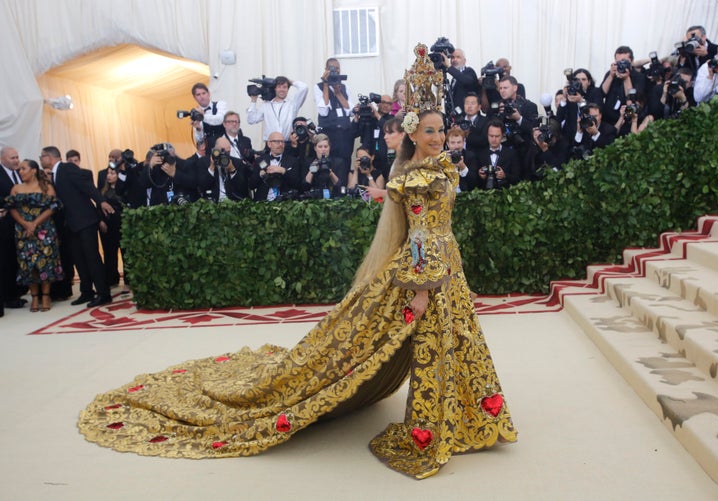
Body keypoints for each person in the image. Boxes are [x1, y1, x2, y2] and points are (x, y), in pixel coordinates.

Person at [77, 42, 517, 481]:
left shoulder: (442, 167)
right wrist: (420, 290)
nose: (438, 137)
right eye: (429, 131)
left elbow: (436, 229)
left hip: (447, 266)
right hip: (427, 273)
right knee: (433, 345)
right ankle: (435, 424)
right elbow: (419, 235)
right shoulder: (418, 176)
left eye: (441, 129)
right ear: (412, 135)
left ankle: (469, 413)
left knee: (458, 339)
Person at [41, 146, 113, 308]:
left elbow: (87, 185)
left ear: (49, 157)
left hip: (84, 220)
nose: (40, 160)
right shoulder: (52, 174)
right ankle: (86, 291)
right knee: (78, 260)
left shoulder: (67, 168)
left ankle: (104, 293)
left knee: (92, 258)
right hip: (70, 224)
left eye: (42, 157)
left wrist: (101, 201)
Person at [5, 159, 64, 312]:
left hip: (44, 230)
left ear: (33, 170)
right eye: (19, 169)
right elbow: (11, 208)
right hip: (24, 231)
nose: (20, 171)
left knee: (46, 262)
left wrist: (35, 223)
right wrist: (25, 224)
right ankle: (34, 297)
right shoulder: (16, 188)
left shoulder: (46, 187)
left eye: (23, 168)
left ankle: (45, 296)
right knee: (28, 264)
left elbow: (52, 207)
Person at [315, 58, 356, 174]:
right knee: (328, 163)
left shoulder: (344, 88)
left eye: (337, 69)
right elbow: (323, 111)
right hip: (328, 133)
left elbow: (350, 111)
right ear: (326, 70)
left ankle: (343, 189)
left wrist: (338, 93)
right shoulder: (318, 87)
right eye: (331, 69)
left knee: (345, 163)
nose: (334, 72)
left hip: (344, 134)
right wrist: (326, 85)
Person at [0, 146, 27, 311]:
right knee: (6, 260)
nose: (16, 160)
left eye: (17, 157)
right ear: (3, 159)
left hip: (20, 224)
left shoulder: (20, 173)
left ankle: (16, 293)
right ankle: (8, 297)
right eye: (13, 158)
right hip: (5, 224)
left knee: (17, 259)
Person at [247, 76, 308, 141]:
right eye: (279, 87)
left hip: (287, 145)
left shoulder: (293, 104)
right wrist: (253, 100)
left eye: (284, 87)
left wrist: (289, 81)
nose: (281, 89)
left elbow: (304, 87)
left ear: (288, 89)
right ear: (275, 88)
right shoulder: (266, 105)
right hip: (270, 145)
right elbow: (251, 120)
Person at [248, 132, 300, 201]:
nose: (281, 144)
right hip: (262, 204)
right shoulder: (260, 160)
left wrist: (283, 171)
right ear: (269, 144)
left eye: (282, 142)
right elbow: (251, 185)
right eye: (277, 142)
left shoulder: (293, 161)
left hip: (285, 203)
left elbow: (297, 184)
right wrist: (260, 175)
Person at [98, 167, 125, 289]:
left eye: (112, 173)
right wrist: (101, 221)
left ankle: (128, 282)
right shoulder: (102, 191)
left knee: (125, 254)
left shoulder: (123, 189)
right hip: (108, 226)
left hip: (122, 225)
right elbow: (98, 208)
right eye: (108, 173)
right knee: (109, 254)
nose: (109, 175)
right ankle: (111, 280)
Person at [477, 120, 521, 188]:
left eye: (497, 136)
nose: (494, 139)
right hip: (484, 194)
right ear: (487, 135)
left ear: (502, 135)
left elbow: (517, 178)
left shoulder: (512, 154)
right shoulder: (480, 154)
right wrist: (480, 176)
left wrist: (505, 175)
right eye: (491, 136)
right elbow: (474, 181)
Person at [302, 133, 342, 197]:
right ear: (315, 148)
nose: (323, 149)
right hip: (313, 198)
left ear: (329, 148)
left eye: (326, 146)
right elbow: (304, 187)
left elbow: (340, 186)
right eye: (320, 147)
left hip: (333, 198)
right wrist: (312, 170)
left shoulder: (337, 162)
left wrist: (330, 172)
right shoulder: (308, 162)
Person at [190, 82, 229, 149]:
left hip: (225, 146)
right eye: (198, 94)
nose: (202, 96)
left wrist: (203, 117)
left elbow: (220, 119)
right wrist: (198, 129)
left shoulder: (220, 104)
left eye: (203, 93)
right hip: (209, 150)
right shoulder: (195, 114)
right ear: (194, 97)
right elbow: (199, 140)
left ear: (208, 94)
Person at [441, 48, 480, 112]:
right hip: (455, 117)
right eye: (452, 57)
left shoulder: (469, 71)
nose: (454, 60)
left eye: (458, 57)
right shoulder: (454, 78)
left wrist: (449, 66)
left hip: (467, 116)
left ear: (464, 61)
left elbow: (465, 80)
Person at [445, 127, 479, 192]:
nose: (456, 146)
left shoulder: (470, 156)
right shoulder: (442, 157)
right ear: (447, 144)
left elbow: (474, 183)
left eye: (459, 142)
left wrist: (463, 167)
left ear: (463, 142)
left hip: (465, 196)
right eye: (453, 143)